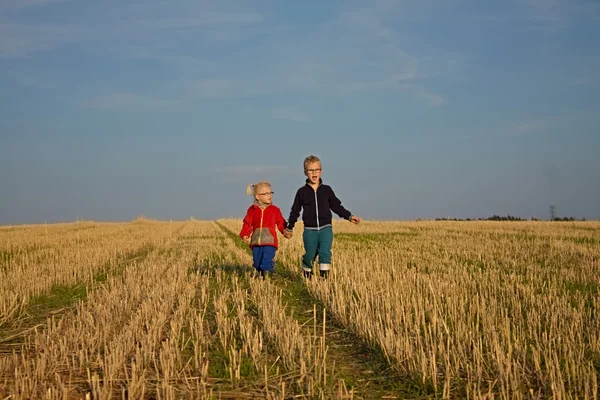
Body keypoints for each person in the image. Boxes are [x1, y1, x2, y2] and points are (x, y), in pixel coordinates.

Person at [283, 155, 360, 279]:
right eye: (311, 170)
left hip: (326, 228)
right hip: (309, 230)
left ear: (321, 171)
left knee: (325, 252)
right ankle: (306, 270)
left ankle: (324, 278)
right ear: (305, 173)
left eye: (317, 170)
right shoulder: (301, 192)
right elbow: (295, 211)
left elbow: (336, 206)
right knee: (310, 254)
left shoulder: (327, 190)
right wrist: (290, 227)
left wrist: (349, 216)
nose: (314, 173)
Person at [240, 181, 288, 279]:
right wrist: (245, 233)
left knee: (265, 261)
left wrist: (285, 231)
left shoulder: (275, 210)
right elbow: (247, 223)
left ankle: (267, 275)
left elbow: (281, 222)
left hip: (270, 241)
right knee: (257, 263)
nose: (269, 195)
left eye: (271, 193)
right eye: (266, 193)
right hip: (256, 242)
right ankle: (267, 269)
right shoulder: (252, 210)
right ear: (258, 196)